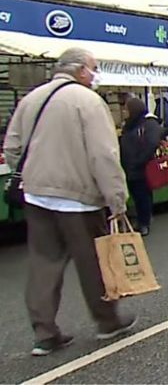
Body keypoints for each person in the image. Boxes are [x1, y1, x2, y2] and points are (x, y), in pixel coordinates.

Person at [3, 48, 137, 357]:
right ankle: (107, 321)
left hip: (37, 195)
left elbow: (12, 146)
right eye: (94, 68)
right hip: (78, 197)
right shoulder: (89, 102)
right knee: (92, 261)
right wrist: (117, 198)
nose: (95, 74)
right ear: (80, 71)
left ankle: (44, 333)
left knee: (43, 262)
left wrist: (31, 175)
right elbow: (104, 155)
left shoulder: (32, 98)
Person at [119, 97, 164, 236]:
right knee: (137, 194)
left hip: (140, 167)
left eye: (126, 108)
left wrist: (139, 160)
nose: (123, 111)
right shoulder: (130, 124)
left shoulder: (148, 124)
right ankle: (142, 219)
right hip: (129, 166)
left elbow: (152, 143)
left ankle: (144, 223)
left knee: (142, 195)